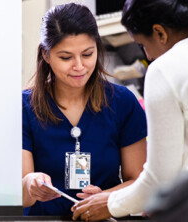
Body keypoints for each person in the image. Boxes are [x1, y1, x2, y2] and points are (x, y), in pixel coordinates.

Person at [72, 0, 188, 221]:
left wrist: (109, 203)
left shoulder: (164, 68)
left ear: (160, 33)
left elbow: (159, 179)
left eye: (142, 45)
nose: (148, 56)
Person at [22, 3, 147, 217]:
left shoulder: (123, 102)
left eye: (88, 54)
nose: (79, 66)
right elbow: (20, 195)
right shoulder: (24, 108)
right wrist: (30, 184)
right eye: (66, 57)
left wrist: (107, 199)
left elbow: (139, 182)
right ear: (46, 54)